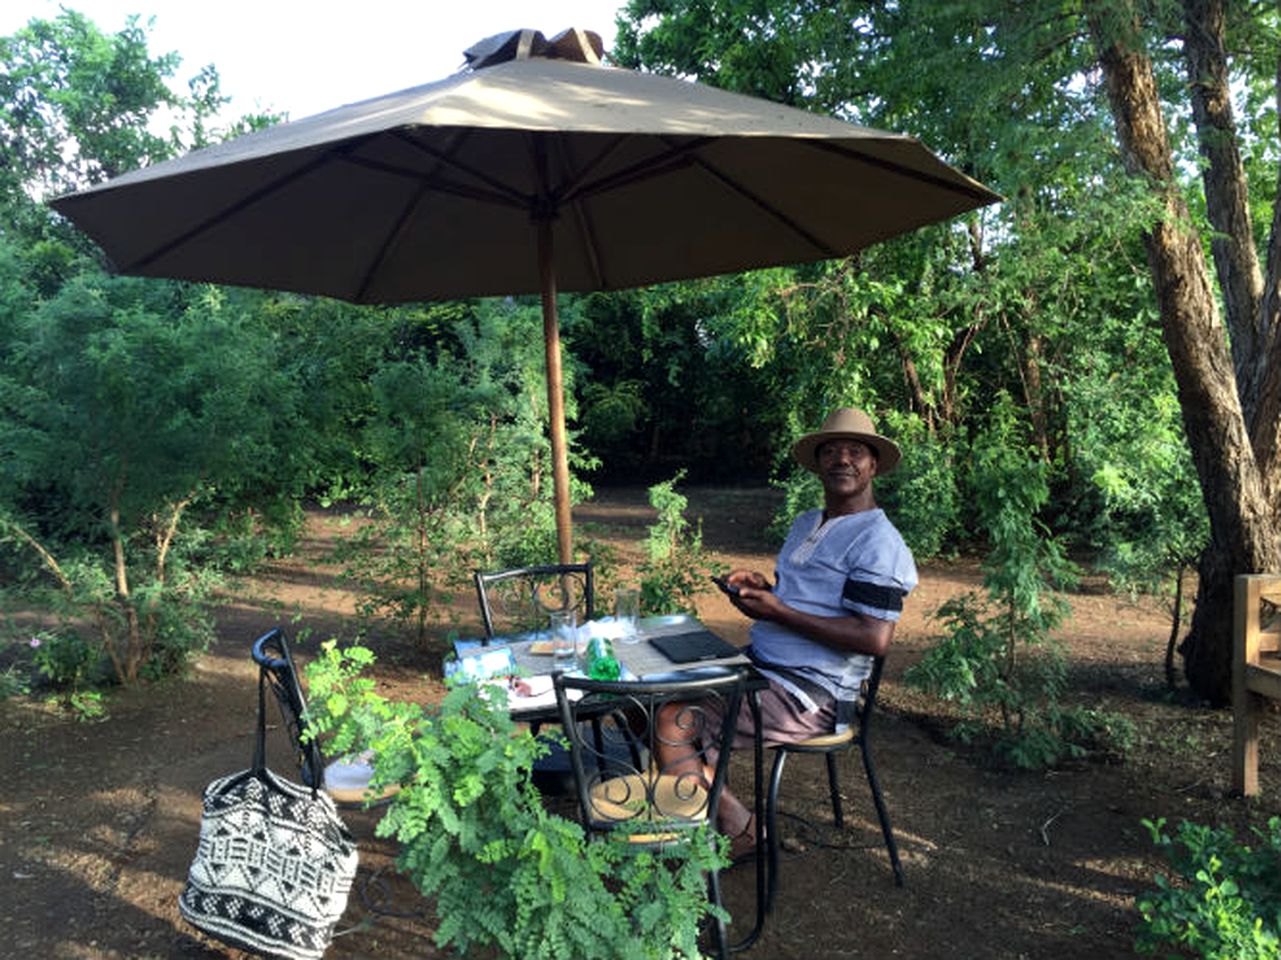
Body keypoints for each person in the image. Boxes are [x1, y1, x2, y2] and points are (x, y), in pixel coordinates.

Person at [658, 406, 918, 859]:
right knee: (649, 693)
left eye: (855, 452)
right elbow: (802, 600)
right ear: (817, 465)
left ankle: (706, 850)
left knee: (669, 720)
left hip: (809, 693)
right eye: (831, 451)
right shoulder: (806, 523)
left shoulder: (879, 542)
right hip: (762, 667)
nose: (842, 460)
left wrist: (778, 612)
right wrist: (764, 591)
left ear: (873, 465)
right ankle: (737, 820)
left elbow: (874, 638)